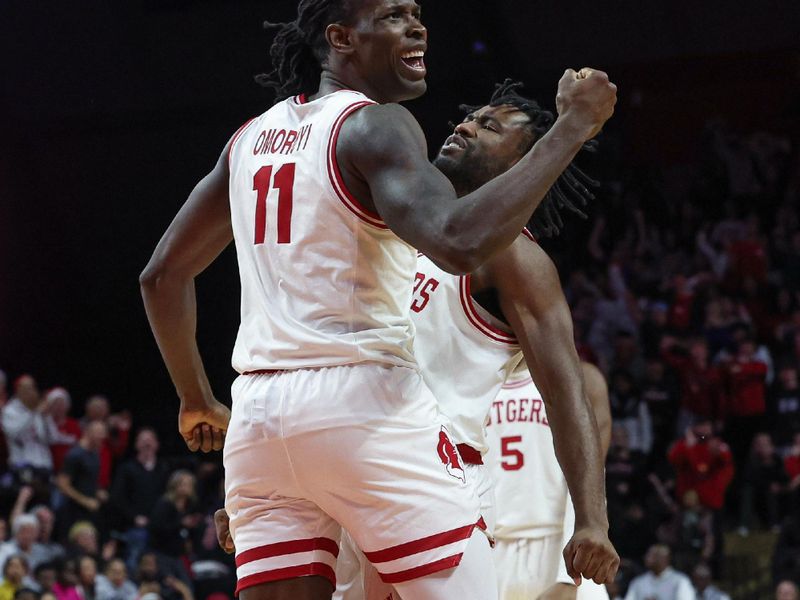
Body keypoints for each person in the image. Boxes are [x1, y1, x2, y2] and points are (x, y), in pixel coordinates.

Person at [140, 0, 617, 598]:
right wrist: (574, 126)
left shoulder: (253, 138)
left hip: (294, 426)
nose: (417, 27)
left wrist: (209, 414)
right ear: (340, 38)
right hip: (374, 441)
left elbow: (160, 277)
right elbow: (456, 238)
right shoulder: (383, 153)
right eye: (394, 15)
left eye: (490, 127)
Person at [486, 362, 612, 600]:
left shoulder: (585, 379)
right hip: (490, 548)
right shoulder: (467, 380)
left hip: (561, 544)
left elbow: (592, 478)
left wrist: (570, 577)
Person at [110, 428, 168, 569]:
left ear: (157, 445)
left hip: (158, 526)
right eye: (143, 440)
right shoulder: (128, 469)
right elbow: (118, 498)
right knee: (135, 556)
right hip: (135, 526)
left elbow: (167, 497)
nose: (147, 444)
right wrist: (134, 517)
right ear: (136, 445)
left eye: (150, 440)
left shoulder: (163, 469)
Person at [56, 422, 108, 535]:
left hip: (90, 509)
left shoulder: (95, 454)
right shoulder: (75, 455)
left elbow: (89, 479)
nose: (102, 436)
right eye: (99, 433)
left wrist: (98, 491)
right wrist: (84, 501)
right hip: (74, 510)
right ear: (88, 433)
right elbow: (62, 484)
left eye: (103, 433)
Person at [623, 545, 693, 600]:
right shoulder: (638, 582)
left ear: (664, 558)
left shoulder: (680, 581)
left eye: (653, 555)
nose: (647, 558)